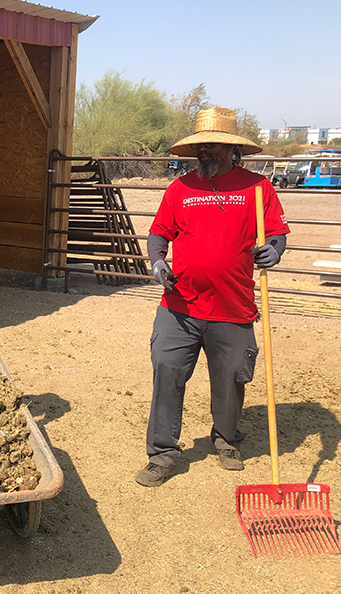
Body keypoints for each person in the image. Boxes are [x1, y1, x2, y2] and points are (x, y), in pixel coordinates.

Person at [136, 106, 291, 487]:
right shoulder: (180, 189)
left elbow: (276, 233)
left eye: (212, 145)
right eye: (199, 145)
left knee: (231, 380)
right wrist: (158, 262)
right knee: (167, 371)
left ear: (232, 148)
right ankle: (162, 453)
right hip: (179, 306)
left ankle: (226, 439)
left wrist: (274, 250)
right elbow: (158, 234)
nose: (203, 150)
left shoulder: (258, 187)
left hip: (233, 307)